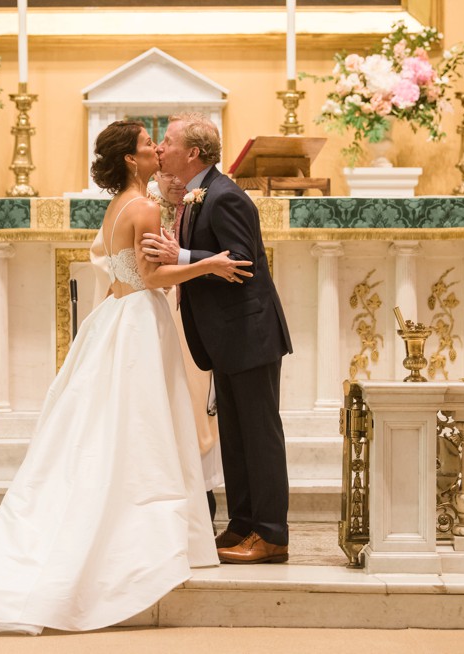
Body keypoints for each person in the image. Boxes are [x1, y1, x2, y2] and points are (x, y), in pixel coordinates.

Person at [0, 121, 252, 635]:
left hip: (115, 317)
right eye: (147, 145)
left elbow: (126, 269)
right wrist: (210, 264)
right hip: (138, 322)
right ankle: (143, 537)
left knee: (113, 429)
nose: (155, 149)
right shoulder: (145, 207)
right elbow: (151, 276)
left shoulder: (121, 205)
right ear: (132, 160)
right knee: (144, 429)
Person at [144, 112, 293, 564]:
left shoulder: (227, 196)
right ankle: (242, 524)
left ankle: (271, 534)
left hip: (250, 333)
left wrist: (182, 254)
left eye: (166, 142)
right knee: (236, 434)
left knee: (260, 435)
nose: (159, 149)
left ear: (192, 152)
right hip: (226, 338)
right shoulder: (194, 195)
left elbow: (242, 262)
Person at [147, 170, 225, 521]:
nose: (176, 181)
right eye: (167, 174)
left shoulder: (204, 198)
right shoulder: (144, 205)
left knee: (197, 402)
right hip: (157, 313)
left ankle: (201, 492)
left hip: (193, 316)